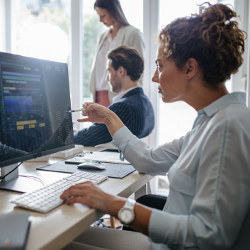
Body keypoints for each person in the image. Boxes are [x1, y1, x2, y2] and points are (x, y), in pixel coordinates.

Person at [61, 3, 250, 249]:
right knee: (64, 238)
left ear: (190, 68)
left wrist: (114, 204)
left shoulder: (227, 127)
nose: (153, 77)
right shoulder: (209, 123)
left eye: (160, 65)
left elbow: (208, 235)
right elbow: (149, 160)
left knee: (55, 243)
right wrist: (108, 117)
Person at [74, 46, 154, 147]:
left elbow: (87, 139)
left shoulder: (123, 107)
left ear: (121, 71)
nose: (107, 78)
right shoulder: (146, 102)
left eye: (109, 71)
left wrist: (69, 137)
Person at [89, 0, 145, 107]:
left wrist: (134, 99)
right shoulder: (103, 37)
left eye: (103, 15)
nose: (100, 20)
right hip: (99, 95)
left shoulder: (133, 34)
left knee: (118, 123)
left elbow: (140, 70)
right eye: (99, 16)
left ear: (114, 11)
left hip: (120, 95)